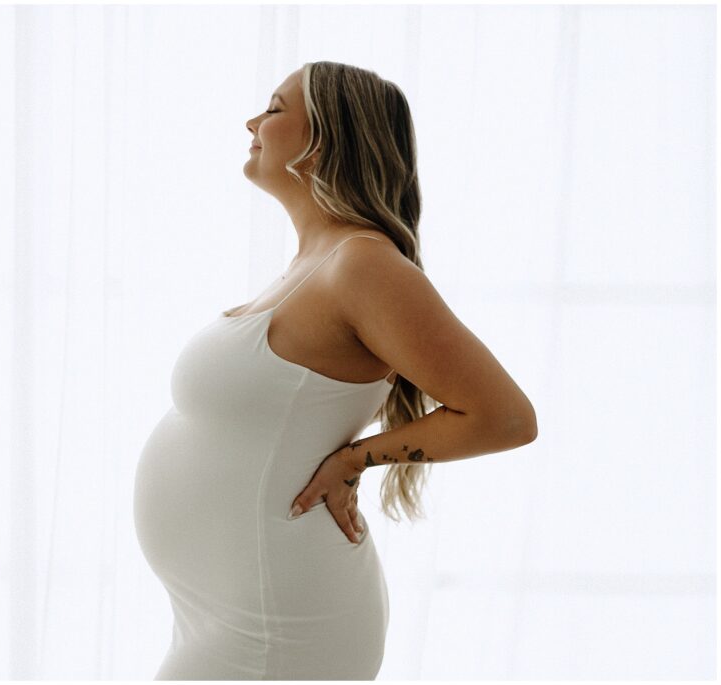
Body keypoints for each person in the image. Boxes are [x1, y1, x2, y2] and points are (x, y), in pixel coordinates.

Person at [132, 61, 537, 680]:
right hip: (226, 608)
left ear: (324, 139)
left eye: (273, 108)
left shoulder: (362, 266)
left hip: (278, 620)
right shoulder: (312, 265)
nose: (252, 122)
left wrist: (355, 461)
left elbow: (504, 417)